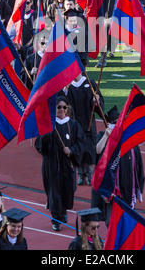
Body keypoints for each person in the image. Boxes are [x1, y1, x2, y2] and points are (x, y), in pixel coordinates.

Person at [35, 96, 86, 231]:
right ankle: (56, 218)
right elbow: (38, 144)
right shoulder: (48, 124)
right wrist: (48, 133)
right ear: (54, 108)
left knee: (67, 190)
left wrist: (72, 150)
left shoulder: (73, 125)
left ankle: (63, 211)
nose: (62, 110)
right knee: (54, 193)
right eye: (59, 107)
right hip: (52, 166)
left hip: (67, 165)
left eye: (65, 107)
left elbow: (81, 142)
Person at [92, 106, 145, 227]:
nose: (119, 125)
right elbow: (97, 150)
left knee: (127, 219)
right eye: (115, 122)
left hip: (127, 186)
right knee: (112, 220)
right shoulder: (103, 137)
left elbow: (138, 166)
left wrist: (138, 189)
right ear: (109, 124)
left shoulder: (129, 140)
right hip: (111, 189)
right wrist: (106, 136)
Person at [63, 72, 104, 186]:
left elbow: (98, 106)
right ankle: (81, 174)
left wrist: (96, 102)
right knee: (77, 150)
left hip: (88, 123)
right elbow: (64, 105)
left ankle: (90, 173)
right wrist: (65, 92)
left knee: (88, 149)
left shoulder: (90, 84)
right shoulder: (68, 86)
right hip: (74, 124)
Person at [97, 0, 117, 66]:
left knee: (103, 38)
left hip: (105, 16)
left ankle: (102, 60)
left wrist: (108, 17)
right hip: (95, 15)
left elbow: (111, 2)